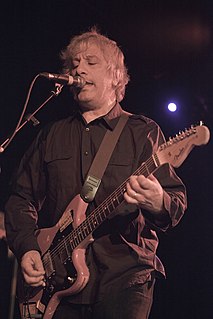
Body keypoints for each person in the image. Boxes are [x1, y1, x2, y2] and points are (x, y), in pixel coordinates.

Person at [5, 28, 187, 319]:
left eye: (91, 62)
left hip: (124, 278)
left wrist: (157, 200)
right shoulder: (51, 134)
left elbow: (174, 203)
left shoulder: (143, 132)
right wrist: (28, 248)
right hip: (59, 285)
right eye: (74, 63)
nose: (78, 68)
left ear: (116, 76)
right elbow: (20, 198)